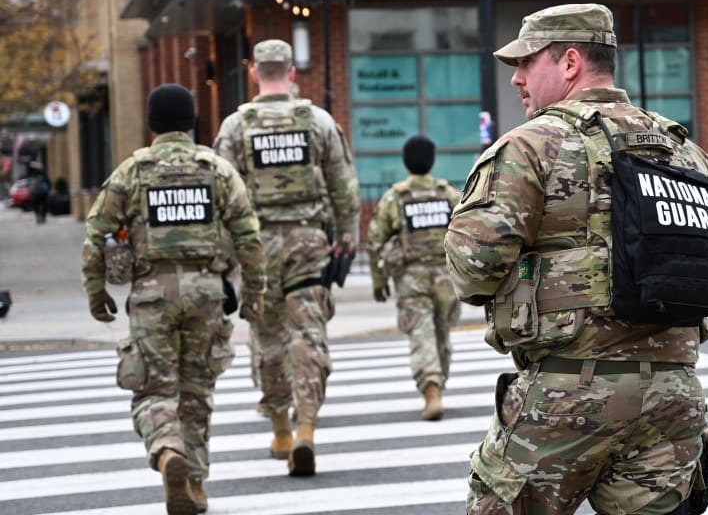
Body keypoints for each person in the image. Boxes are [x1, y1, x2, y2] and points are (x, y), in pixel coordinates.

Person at [444, 3, 708, 514]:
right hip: (672, 399)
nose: (517, 78)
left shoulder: (530, 146)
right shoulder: (686, 152)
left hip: (567, 394)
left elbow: (472, 270)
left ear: (569, 62)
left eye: (527, 62)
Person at [81, 84, 266, 515]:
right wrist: (253, 293)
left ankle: (167, 452)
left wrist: (96, 290)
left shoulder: (132, 172)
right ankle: (196, 484)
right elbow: (249, 236)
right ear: (192, 122)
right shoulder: (217, 170)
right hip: (206, 293)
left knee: (153, 389)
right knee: (197, 391)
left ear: (150, 124)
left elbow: (96, 234)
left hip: (152, 296)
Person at [213, 38, 361, 477]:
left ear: (255, 73)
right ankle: (307, 429)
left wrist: (224, 259)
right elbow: (344, 185)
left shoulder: (235, 127)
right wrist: (347, 240)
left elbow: (223, 196)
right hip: (307, 245)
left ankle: (279, 428)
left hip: (256, 248)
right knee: (308, 334)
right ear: (292, 72)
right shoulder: (317, 121)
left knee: (268, 336)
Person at [367, 135, 461, 421]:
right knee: (442, 333)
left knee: (422, 334)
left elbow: (375, 240)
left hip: (411, 278)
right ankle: (437, 384)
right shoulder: (449, 195)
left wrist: (379, 280)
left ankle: (431, 389)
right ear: (432, 160)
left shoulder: (396, 198)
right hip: (446, 277)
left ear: (405, 163)